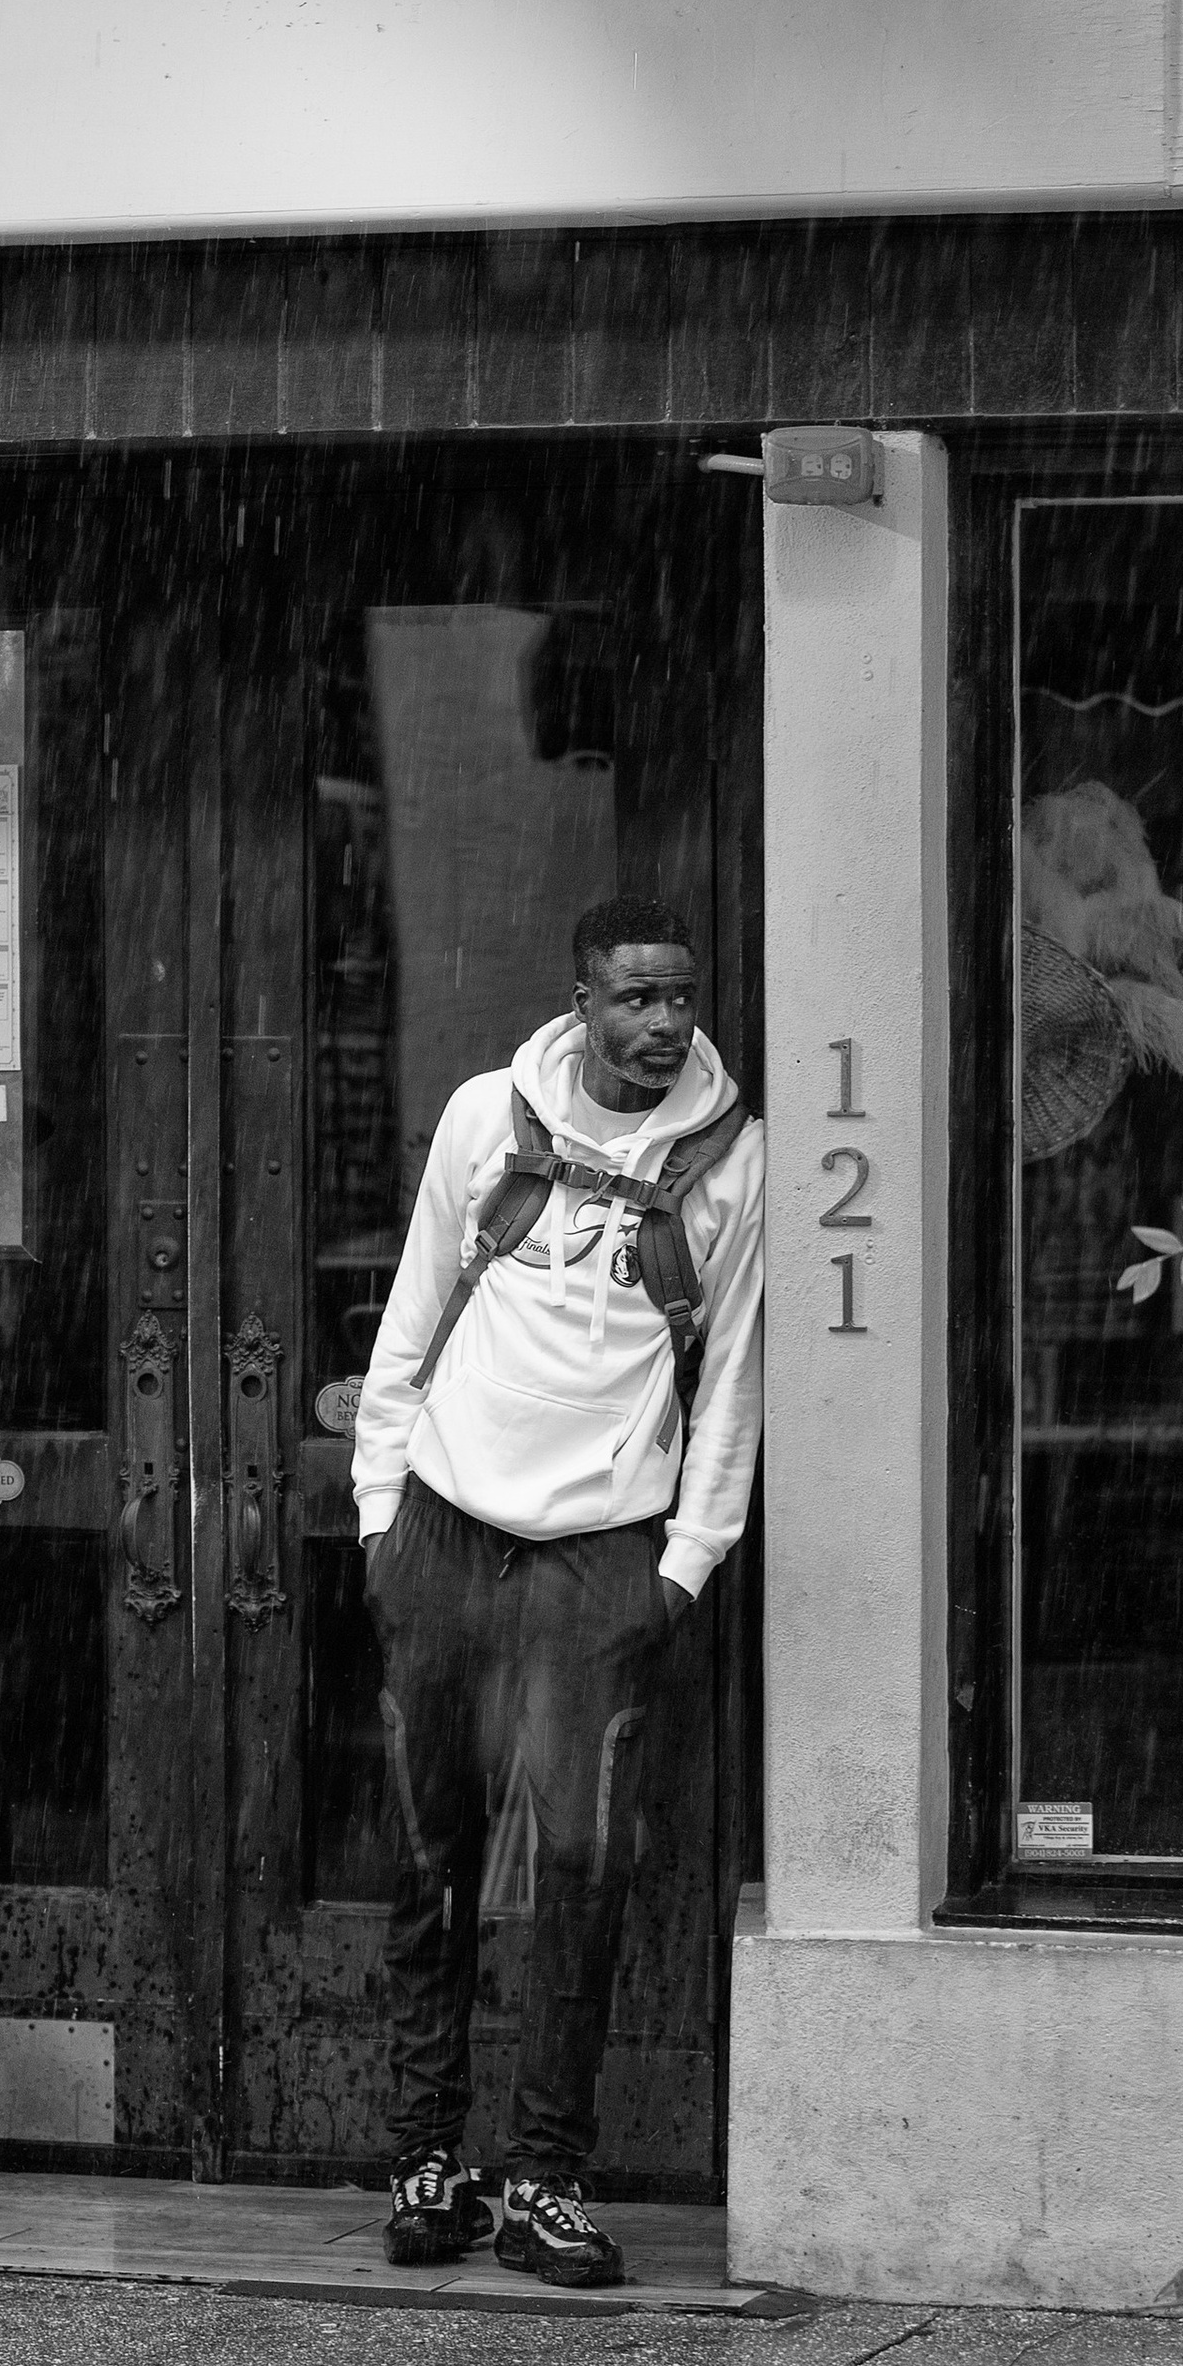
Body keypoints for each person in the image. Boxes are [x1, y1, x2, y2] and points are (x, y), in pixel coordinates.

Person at [350, 894, 764, 2290]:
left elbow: (735, 1384)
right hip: (447, 1541)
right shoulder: (488, 1119)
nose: (665, 1023)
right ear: (582, 1001)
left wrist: (682, 1570)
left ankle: (542, 2178)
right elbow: (413, 1312)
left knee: (580, 1880)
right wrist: (377, 1514)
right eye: (636, 998)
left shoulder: (730, 1164)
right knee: (431, 1862)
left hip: (602, 1569)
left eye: (681, 997)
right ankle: (425, 2159)